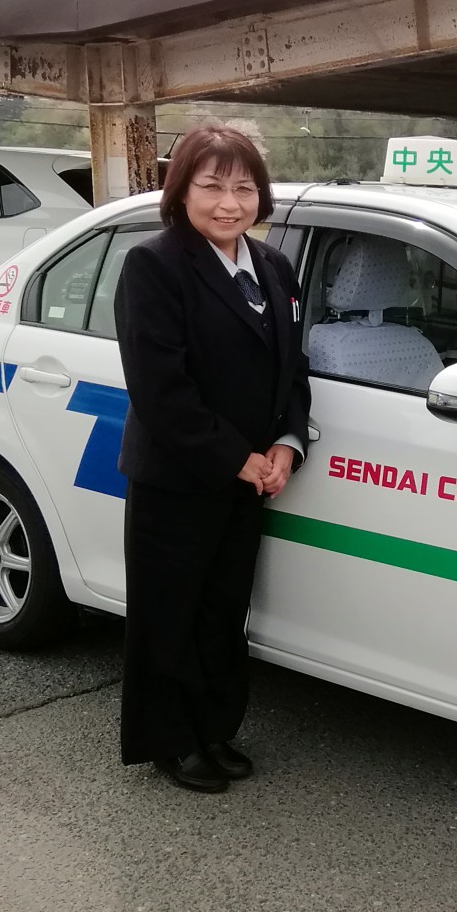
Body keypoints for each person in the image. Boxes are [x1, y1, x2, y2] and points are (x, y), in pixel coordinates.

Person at [114, 125, 310, 793]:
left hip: (249, 478)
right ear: (181, 192)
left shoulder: (274, 266)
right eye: (212, 186)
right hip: (178, 475)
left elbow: (293, 369)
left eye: (244, 187)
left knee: (223, 611)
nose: (230, 203)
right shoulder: (155, 265)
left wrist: (286, 443)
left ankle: (215, 727)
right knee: (168, 612)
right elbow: (159, 388)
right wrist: (235, 457)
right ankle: (171, 739)